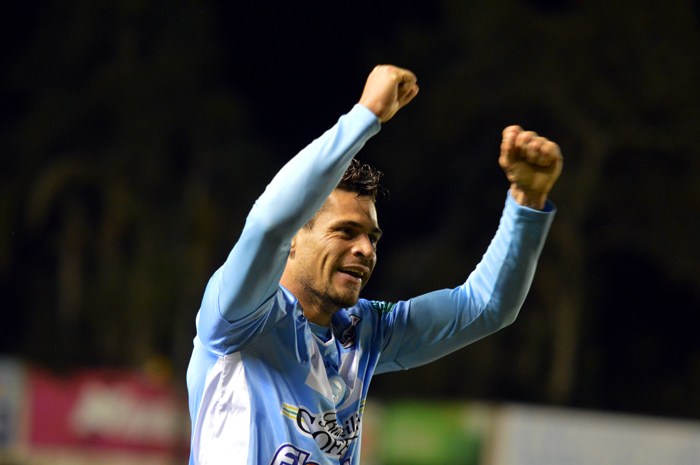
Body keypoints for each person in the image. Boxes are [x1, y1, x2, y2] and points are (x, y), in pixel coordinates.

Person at [186, 65, 562, 465]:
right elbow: (268, 224)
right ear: (295, 236)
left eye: (372, 237)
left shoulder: (366, 333)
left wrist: (526, 200)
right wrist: (364, 117)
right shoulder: (240, 316)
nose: (365, 248)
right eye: (346, 231)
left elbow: (485, 307)